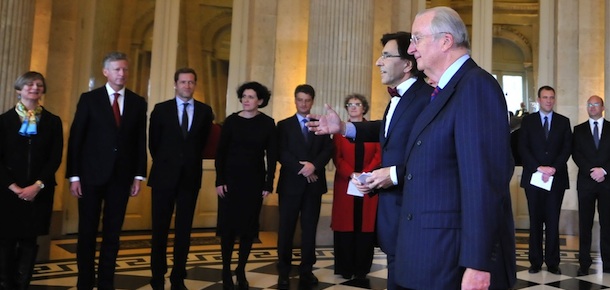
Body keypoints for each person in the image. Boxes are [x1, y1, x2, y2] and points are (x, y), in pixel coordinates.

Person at [397, 7, 515, 289]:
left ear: (445, 41)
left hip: (451, 260)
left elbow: (483, 182)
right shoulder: (444, 91)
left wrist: (477, 263)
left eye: (416, 38)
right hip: (429, 253)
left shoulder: (475, 87)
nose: (411, 49)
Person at [307, 31, 431, 290]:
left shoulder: (425, 98)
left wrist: (392, 174)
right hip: (394, 210)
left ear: (407, 64)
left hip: (412, 211)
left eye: (386, 55)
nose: (378, 61)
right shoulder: (401, 96)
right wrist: (344, 127)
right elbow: (385, 128)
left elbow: (431, 153)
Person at [66, 51, 148, 290]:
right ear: (106, 72)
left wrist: (138, 175)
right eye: (116, 69)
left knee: (113, 233)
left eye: (125, 69)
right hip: (90, 177)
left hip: (121, 178)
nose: (121, 74)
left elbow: (139, 142)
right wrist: (74, 176)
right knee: (87, 231)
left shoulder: (137, 102)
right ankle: (85, 281)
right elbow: (76, 139)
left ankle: (106, 282)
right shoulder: (89, 99)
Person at [148, 68, 214, 290]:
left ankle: (178, 275)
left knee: (184, 230)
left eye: (191, 82)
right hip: (163, 178)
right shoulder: (161, 110)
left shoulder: (205, 111)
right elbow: (153, 144)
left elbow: (202, 142)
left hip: (190, 178)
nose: (187, 86)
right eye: (183, 82)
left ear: (195, 85)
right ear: (175, 84)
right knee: (160, 229)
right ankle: (157, 275)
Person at [0, 72, 63, 289]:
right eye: (28, 84)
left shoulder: (53, 122)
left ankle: (22, 284)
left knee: (29, 239)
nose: (34, 87)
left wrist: (36, 186)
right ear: (19, 89)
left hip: (39, 191)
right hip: (8, 191)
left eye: (39, 84)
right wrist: (14, 187)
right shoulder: (4, 121)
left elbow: (55, 158)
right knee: (6, 240)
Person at [215, 81, 277, 290]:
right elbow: (220, 153)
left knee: (248, 229)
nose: (247, 100)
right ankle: (225, 270)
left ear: (260, 100)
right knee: (228, 228)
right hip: (230, 183)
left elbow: (273, 156)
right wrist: (219, 180)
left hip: (254, 182)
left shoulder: (268, 123)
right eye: (244, 96)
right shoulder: (231, 121)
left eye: (251, 97)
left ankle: (240, 270)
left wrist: (268, 183)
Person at [276, 84, 332, 289]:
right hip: (290, 185)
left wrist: (314, 166)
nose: (303, 103)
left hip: (313, 186)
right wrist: (304, 168)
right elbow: (281, 152)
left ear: (312, 101)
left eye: (307, 100)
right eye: (300, 99)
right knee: (286, 229)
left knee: (309, 230)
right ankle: (283, 271)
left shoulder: (321, 123)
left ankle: (306, 271)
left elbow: (328, 150)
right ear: (295, 99)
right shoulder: (283, 125)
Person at [519, 85, 572, 275]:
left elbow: (567, 148)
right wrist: (539, 167)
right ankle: (535, 261)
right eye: (545, 97)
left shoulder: (563, 122)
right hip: (533, 179)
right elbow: (523, 148)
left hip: (555, 180)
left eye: (551, 97)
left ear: (554, 100)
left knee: (552, 221)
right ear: (539, 100)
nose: (548, 100)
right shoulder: (528, 121)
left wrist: (553, 168)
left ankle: (552, 262)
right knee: (535, 221)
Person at [331, 94, 381, 281]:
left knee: (365, 225)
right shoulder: (339, 132)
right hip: (346, 183)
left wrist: (365, 175)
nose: (353, 107)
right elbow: (337, 158)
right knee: (345, 224)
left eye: (357, 104)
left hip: (368, 184)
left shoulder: (374, 129)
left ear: (364, 108)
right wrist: (352, 174)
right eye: (349, 104)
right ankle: (345, 267)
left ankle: (361, 268)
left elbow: (379, 154)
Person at [573, 95, 610, 276]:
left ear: (602, 107)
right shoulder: (578, 130)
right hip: (586, 183)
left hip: (607, 183)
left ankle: (609, 262)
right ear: (586, 108)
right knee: (585, 224)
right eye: (589, 104)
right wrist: (592, 171)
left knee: (607, 224)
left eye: (596, 104)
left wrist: (603, 170)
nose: (593, 107)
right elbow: (576, 154)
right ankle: (584, 262)